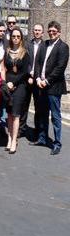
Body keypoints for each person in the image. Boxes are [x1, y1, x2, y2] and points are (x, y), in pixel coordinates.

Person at [33, 21, 69, 155]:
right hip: (40, 85)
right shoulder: (44, 44)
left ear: (59, 32)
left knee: (55, 116)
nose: (51, 33)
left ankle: (57, 143)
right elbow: (37, 63)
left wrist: (46, 81)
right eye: (50, 31)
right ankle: (42, 138)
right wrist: (37, 78)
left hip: (53, 87)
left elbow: (60, 68)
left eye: (54, 31)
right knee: (42, 113)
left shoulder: (63, 47)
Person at [3, 28, 30, 154]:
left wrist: (13, 83)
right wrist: (6, 83)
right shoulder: (7, 51)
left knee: (16, 114)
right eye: (13, 36)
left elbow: (25, 73)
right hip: (8, 85)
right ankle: (9, 137)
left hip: (20, 86)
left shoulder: (25, 53)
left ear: (21, 39)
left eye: (18, 36)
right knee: (9, 113)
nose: (15, 38)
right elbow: (4, 69)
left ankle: (14, 140)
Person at [24, 24, 44, 139]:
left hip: (38, 81)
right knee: (24, 105)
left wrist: (36, 76)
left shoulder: (45, 45)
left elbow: (43, 64)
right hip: (27, 79)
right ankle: (21, 129)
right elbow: (26, 61)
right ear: (33, 31)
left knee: (38, 107)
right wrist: (28, 75)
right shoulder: (27, 44)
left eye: (39, 30)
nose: (37, 32)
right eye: (35, 30)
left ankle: (37, 132)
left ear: (42, 33)